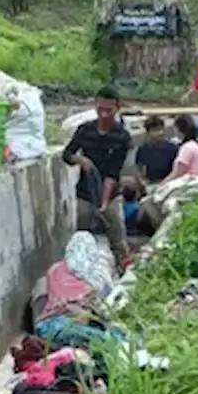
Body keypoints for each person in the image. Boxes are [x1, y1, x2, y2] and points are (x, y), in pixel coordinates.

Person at [62, 86, 132, 265]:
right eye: (100, 109)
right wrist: (80, 160)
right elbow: (66, 154)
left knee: (118, 240)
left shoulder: (121, 136)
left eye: (108, 110)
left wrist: (104, 203)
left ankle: (124, 270)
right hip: (85, 193)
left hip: (111, 195)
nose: (104, 114)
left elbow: (113, 172)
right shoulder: (85, 130)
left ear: (117, 109)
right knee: (82, 239)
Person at [164, 114, 198, 182]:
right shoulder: (197, 147)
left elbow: (178, 173)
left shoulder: (187, 148)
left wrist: (162, 184)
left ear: (178, 129)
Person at [134, 116, 178, 183]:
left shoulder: (173, 148)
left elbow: (177, 170)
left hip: (169, 182)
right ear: (148, 133)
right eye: (155, 130)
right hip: (151, 183)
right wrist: (143, 182)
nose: (159, 133)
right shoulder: (143, 149)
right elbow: (139, 170)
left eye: (160, 129)